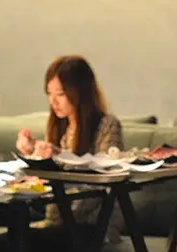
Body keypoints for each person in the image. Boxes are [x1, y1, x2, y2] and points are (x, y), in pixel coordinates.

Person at [16, 55, 124, 240]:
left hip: (92, 226)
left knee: (12, 244)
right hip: (59, 221)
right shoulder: (60, 127)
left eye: (60, 94)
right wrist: (34, 156)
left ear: (80, 92)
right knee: (8, 239)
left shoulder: (107, 125)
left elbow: (104, 183)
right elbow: (46, 186)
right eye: (49, 94)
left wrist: (56, 162)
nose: (53, 102)